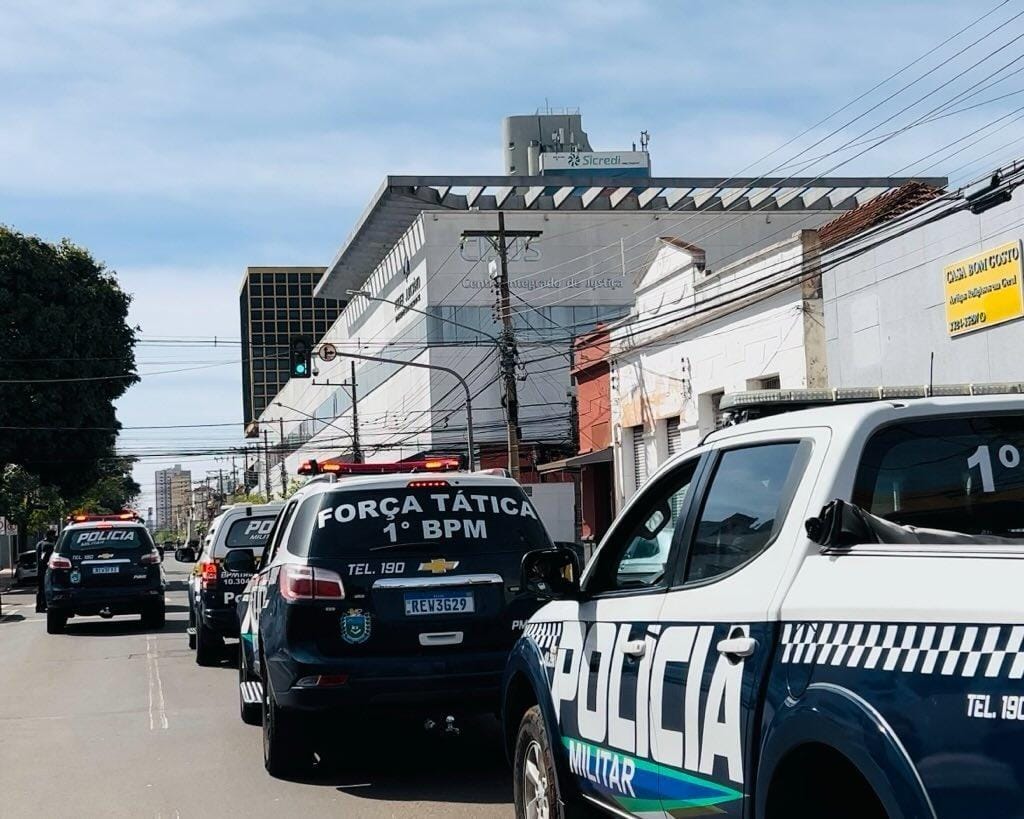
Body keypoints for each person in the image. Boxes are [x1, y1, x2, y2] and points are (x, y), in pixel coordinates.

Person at [35, 529, 57, 613]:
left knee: (40, 589)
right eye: (53, 535)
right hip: (45, 570)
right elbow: (43, 558)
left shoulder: (39, 544)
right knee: (46, 588)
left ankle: (39, 606)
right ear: (50, 536)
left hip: (39, 570)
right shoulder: (48, 545)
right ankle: (43, 605)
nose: (54, 537)